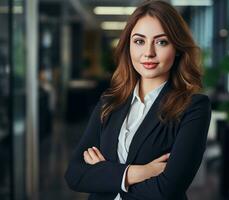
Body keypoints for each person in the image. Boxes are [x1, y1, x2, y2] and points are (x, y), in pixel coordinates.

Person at [65, 0, 211, 199]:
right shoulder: (110, 102)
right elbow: (74, 174)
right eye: (139, 41)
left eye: (161, 42)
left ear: (177, 48)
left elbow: (167, 189)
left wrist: (103, 173)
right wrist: (139, 172)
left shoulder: (193, 107)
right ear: (128, 46)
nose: (148, 53)